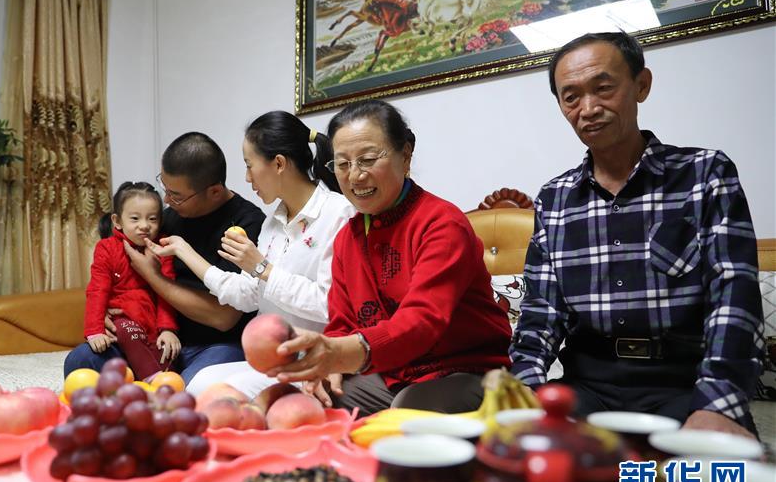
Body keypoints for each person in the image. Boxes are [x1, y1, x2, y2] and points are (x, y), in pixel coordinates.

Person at [508, 32, 764, 438]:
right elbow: (541, 314)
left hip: (686, 383)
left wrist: (718, 402)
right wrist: (524, 390)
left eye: (603, 88)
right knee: (516, 461)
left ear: (641, 85)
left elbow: (734, 295)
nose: (588, 109)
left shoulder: (705, 174)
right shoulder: (554, 199)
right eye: (571, 97)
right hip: (587, 387)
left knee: (714, 474)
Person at [264, 99, 513, 416]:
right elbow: (342, 323)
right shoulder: (347, 239)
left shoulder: (441, 224)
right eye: (342, 164)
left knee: (409, 408)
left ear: (405, 155)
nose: (355, 176)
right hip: (394, 373)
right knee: (304, 403)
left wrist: (341, 352)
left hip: (466, 370)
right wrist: (330, 366)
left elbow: (421, 323)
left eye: (368, 160)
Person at [149, 111, 355, 401]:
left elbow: (329, 304)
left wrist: (262, 268)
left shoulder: (339, 213)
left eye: (249, 165)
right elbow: (247, 296)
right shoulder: (273, 223)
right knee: (195, 386)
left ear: (279, 164)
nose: (246, 178)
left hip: (312, 360)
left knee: (204, 396)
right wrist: (185, 251)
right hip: (270, 359)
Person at [64, 132, 266, 384]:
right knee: (80, 361)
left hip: (215, 344)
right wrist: (105, 314)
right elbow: (116, 272)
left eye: (176, 195)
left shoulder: (248, 223)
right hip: (153, 338)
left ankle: (149, 387)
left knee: (190, 389)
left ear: (214, 191)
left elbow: (223, 317)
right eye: (165, 188)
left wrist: (153, 276)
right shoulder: (168, 218)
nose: (167, 201)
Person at [79, 182, 179, 380]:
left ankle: (164, 378)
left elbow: (167, 294)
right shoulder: (107, 248)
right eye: (135, 218)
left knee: (168, 349)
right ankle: (152, 379)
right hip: (122, 319)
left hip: (152, 322)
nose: (144, 225)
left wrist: (168, 330)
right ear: (117, 221)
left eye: (152, 219)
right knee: (125, 330)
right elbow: (97, 290)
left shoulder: (163, 248)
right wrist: (95, 330)